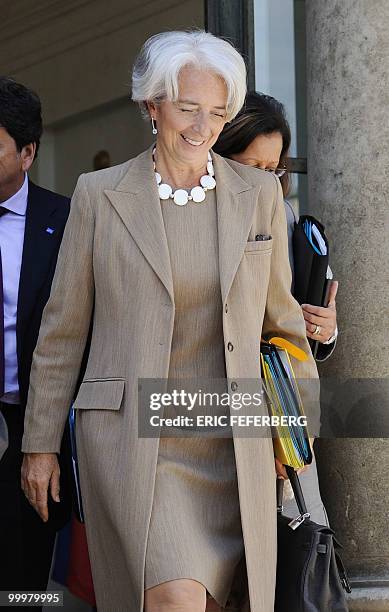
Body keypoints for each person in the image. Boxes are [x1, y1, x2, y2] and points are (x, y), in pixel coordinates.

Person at [21, 31, 319, 612]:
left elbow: (282, 331)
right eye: (188, 108)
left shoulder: (257, 194)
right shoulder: (99, 195)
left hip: (237, 439)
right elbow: (62, 331)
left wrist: (295, 441)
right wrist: (40, 446)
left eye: (216, 112)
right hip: (141, 444)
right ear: (151, 104)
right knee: (171, 600)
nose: (202, 126)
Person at [214, 91, 338, 524]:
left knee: (291, 541)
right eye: (254, 168)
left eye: (274, 170)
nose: (267, 182)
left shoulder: (285, 218)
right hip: (207, 406)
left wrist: (324, 328)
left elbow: (296, 324)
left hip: (277, 402)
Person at [0, 77, 71, 597]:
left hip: (32, 432)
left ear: (27, 153)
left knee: (25, 583)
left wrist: (44, 442)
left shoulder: (68, 221)